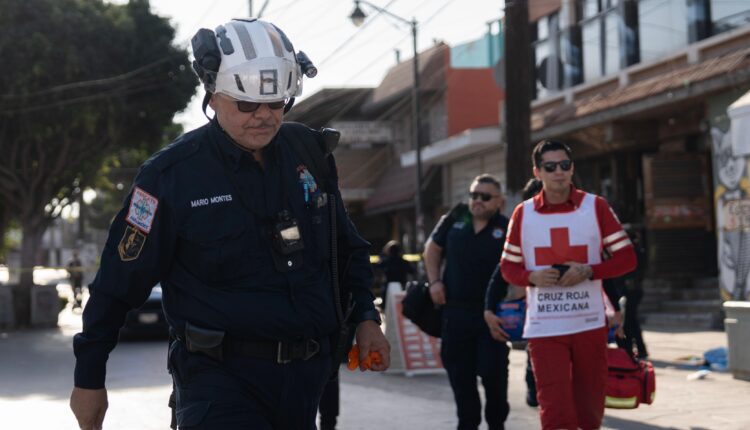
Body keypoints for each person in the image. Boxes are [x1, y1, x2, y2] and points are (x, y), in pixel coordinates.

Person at [70, 18, 389, 430]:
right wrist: (89, 378)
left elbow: (345, 248)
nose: (263, 116)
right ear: (213, 94)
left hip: (306, 380)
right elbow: (117, 283)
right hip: (218, 384)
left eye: (276, 104)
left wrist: (366, 317)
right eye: (246, 104)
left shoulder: (308, 153)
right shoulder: (170, 177)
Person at [500, 140, 636, 430]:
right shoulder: (523, 213)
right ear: (537, 172)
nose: (558, 172)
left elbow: (627, 260)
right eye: (550, 167)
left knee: (590, 411)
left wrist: (590, 271)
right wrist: (531, 277)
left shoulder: (595, 206)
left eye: (564, 165)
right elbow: (508, 269)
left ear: (572, 168)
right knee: (555, 412)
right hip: (545, 327)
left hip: (589, 323)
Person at [423, 174, 510, 430]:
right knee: (461, 381)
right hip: (456, 313)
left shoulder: (506, 226)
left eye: (485, 196)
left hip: (491, 315)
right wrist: (434, 281)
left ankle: (497, 424)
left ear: (499, 202)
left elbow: (519, 266)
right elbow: (432, 249)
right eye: (474, 195)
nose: (477, 201)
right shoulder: (457, 216)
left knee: (494, 377)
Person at [484, 177, 543, 408]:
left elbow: (599, 270)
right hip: (538, 319)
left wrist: (615, 310)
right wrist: (489, 309)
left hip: (577, 319)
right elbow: (502, 272)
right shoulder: (524, 235)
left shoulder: (578, 224)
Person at [376, 240, 415, 312]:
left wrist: (383, 253)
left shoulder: (385, 262)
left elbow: (378, 266)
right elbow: (412, 271)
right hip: (401, 287)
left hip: (388, 289)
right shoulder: (404, 262)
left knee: (386, 309)